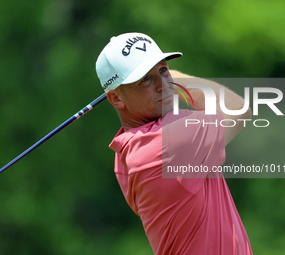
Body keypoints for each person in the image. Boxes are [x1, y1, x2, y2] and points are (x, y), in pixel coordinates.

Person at [96, 32, 253, 255]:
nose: (162, 85)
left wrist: (160, 78)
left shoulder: (129, 148)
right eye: (145, 80)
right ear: (116, 98)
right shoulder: (166, 143)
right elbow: (237, 109)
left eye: (163, 69)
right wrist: (175, 78)